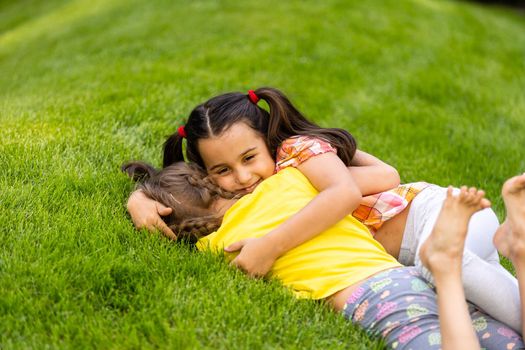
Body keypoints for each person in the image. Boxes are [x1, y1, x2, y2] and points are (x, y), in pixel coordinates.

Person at [126, 87, 521, 332]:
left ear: (268, 140)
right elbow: (182, 190)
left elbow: (345, 193)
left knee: (447, 270)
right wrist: (140, 198)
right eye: (222, 171)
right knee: (493, 309)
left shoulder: (294, 154)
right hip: (428, 236)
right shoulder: (276, 185)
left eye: (249, 157)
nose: (243, 177)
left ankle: (514, 241)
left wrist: (271, 245)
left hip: (433, 221)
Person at [122, 160, 524, 349]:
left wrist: (139, 196)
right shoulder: (291, 182)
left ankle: (450, 263)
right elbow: (382, 175)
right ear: (215, 182)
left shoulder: (218, 247)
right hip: (401, 271)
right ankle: (515, 252)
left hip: (373, 299)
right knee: (510, 336)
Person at [419, 173, 525, 349]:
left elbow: (387, 175)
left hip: (448, 212)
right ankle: (519, 247)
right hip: (455, 212)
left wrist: (354, 150)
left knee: (434, 264)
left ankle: (446, 265)